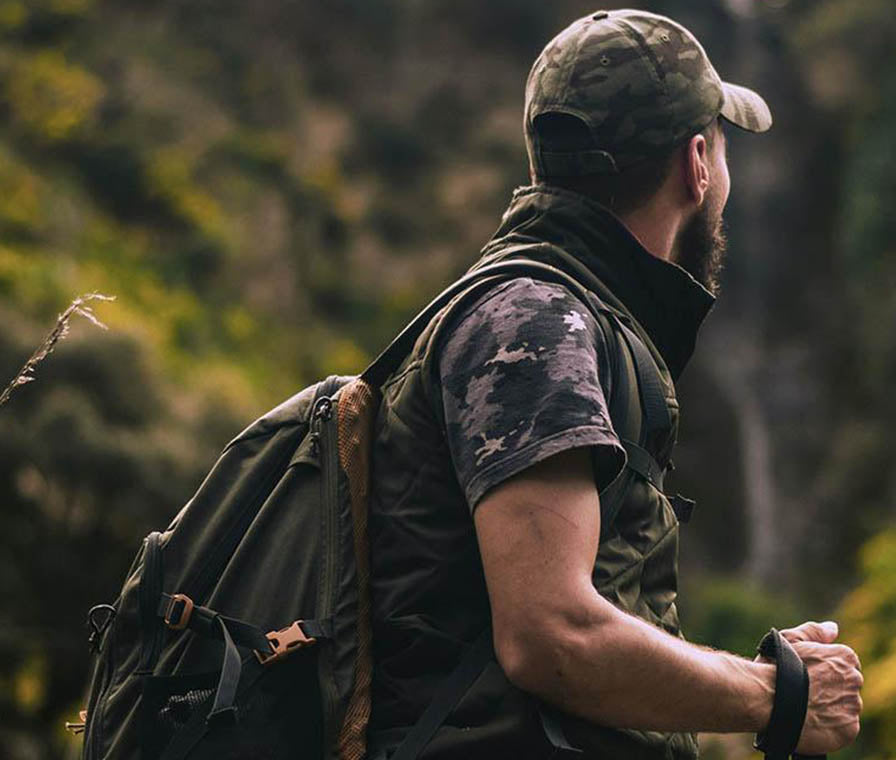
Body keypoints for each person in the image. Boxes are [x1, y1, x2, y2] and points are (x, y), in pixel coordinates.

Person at [366, 9, 863, 759]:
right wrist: (777, 696)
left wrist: (746, 674)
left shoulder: (560, 315)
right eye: (723, 152)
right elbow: (550, 635)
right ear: (698, 163)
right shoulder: (538, 322)